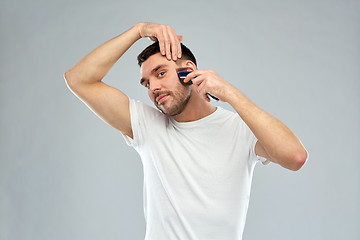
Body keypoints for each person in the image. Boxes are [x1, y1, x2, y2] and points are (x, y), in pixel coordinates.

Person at [64, 22, 308, 240]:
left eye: (161, 73)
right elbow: (78, 79)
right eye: (147, 83)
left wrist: (230, 94)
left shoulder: (240, 129)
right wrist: (139, 31)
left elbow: (295, 157)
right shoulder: (147, 125)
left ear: (188, 71)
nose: (154, 88)